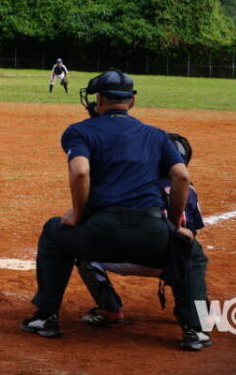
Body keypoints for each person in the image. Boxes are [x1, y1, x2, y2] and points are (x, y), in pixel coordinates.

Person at [20, 69, 211, 351]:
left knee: (53, 232)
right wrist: (171, 224)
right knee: (191, 252)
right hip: (151, 233)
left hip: (100, 234)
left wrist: (78, 213)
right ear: (131, 101)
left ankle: (46, 317)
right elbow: (182, 177)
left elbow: (81, 172)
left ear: (98, 100)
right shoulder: (156, 135)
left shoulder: (80, 131)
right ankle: (195, 330)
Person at [76, 132, 209, 336]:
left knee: (83, 251)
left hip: (131, 256)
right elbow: (192, 232)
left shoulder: (133, 186)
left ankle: (109, 310)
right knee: (191, 256)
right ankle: (192, 313)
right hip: (173, 264)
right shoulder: (188, 189)